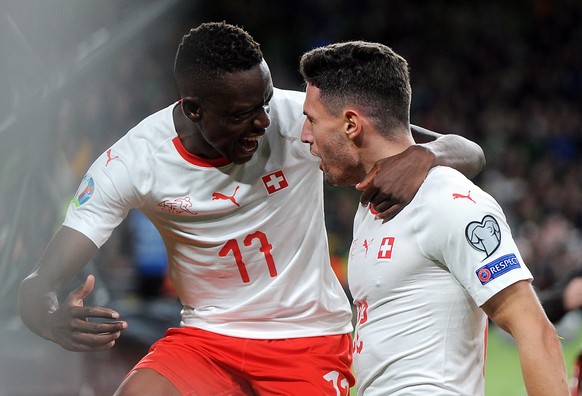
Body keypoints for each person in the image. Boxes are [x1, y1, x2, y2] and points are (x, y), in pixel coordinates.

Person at [18, 22, 484, 395]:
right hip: (208, 339)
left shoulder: (297, 119)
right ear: (195, 109)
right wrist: (47, 315)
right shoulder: (132, 162)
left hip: (310, 338)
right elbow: (40, 283)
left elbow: (467, 150)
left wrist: (424, 156)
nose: (264, 121)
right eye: (243, 113)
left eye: (264, 102)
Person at [299, 40, 568, 395]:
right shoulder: (373, 203)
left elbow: (535, 330)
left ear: (352, 124)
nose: (305, 136)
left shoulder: (448, 201)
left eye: (312, 120)